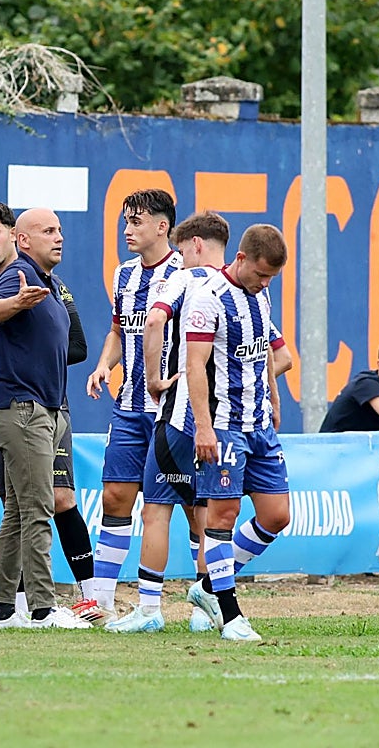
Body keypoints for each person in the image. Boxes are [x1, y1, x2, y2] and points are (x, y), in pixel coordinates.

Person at [0, 201, 95, 622]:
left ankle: (1, 610)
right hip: (21, 408)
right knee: (37, 509)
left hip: (43, 407)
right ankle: (43, 608)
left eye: (59, 230)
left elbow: (77, 347)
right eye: (49, 231)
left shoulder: (48, 283)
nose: (59, 237)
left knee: (18, 511)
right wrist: (14, 303)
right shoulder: (19, 276)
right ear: (25, 239)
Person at [108, 211, 229, 633]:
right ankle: (205, 608)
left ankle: (148, 610)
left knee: (156, 511)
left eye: (182, 248)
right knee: (207, 515)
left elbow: (155, 319)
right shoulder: (238, 286)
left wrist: (154, 379)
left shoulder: (183, 279)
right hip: (222, 419)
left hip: (179, 415)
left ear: (195, 245)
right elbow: (274, 351)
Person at [184, 223, 290, 642]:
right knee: (222, 516)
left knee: (276, 515)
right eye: (261, 274)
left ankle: (210, 585)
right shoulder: (208, 298)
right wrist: (203, 427)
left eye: (271, 278)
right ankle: (230, 616)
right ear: (240, 259)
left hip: (259, 423)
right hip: (224, 425)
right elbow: (195, 366)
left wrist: (274, 398)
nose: (265, 283)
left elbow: (265, 353)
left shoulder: (261, 294)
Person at [84, 190, 184, 621]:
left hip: (172, 412)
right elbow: (118, 331)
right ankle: (102, 602)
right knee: (114, 496)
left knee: (187, 508)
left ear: (162, 226)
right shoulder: (123, 275)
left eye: (136, 222)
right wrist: (103, 365)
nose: (127, 230)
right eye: (126, 221)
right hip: (128, 406)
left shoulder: (186, 273)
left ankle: (200, 602)